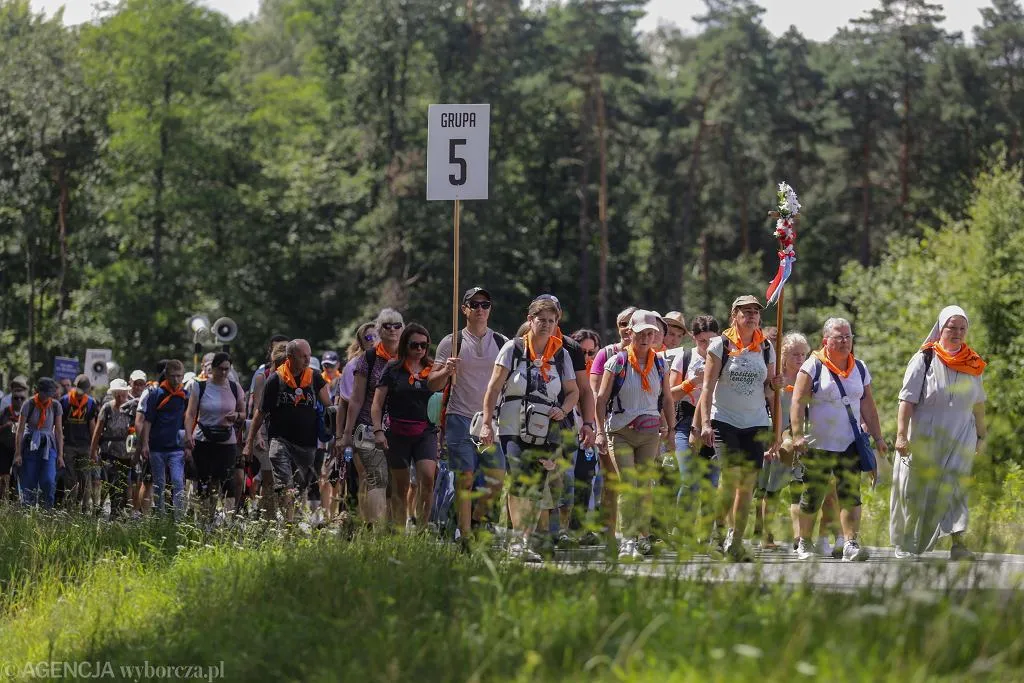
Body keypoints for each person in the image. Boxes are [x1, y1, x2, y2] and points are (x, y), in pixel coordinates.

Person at [480, 296, 580, 562]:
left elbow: (573, 391)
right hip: (513, 425)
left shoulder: (562, 354)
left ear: (557, 323)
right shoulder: (513, 349)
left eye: (551, 321)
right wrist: (487, 422)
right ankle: (517, 542)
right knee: (519, 477)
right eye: (541, 320)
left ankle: (525, 540)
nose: (546, 325)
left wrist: (565, 409)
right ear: (530, 320)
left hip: (545, 426)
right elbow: (493, 387)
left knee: (537, 484)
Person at [891, 305, 986, 561]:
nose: (956, 332)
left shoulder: (973, 362)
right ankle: (907, 541)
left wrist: (981, 435)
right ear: (940, 328)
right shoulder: (924, 358)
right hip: (925, 435)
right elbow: (906, 400)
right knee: (917, 490)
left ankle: (958, 543)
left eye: (962, 328)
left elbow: (978, 403)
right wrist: (901, 435)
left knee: (956, 488)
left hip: (960, 436)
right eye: (951, 327)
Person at [790, 318, 887, 562]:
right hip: (818, 444)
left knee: (851, 494)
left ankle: (851, 543)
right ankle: (804, 542)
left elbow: (868, 405)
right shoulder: (812, 366)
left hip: (849, 443)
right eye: (839, 337)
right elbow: (798, 402)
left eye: (848, 336)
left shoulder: (860, 368)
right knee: (813, 495)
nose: (845, 341)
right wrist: (798, 434)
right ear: (826, 341)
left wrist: (878, 437)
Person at [697, 295, 783, 561]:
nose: (752, 316)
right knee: (730, 480)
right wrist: (705, 423)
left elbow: (770, 391)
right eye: (745, 312)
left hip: (756, 422)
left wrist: (776, 386)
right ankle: (718, 536)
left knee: (747, 485)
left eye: (755, 312)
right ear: (734, 315)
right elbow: (708, 387)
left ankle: (736, 541)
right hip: (725, 420)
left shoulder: (766, 347)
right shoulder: (719, 345)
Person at [595, 310, 675, 559]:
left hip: (650, 434)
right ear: (629, 333)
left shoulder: (661, 363)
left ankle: (641, 537)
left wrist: (670, 430)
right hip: (620, 432)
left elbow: (667, 400)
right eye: (640, 333)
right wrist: (599, 430)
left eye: (650, 333)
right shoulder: (616, 362)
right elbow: (601, 399)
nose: (645, 337)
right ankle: (627, 542)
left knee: (643, 487)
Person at [245, 340, 331, 523]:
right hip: (280, 440)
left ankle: (291, 519)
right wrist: (249, 442)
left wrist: (338, 436)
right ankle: (288, 526)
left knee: (300, 486)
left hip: (307, 444)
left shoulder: (315, 377)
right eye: (303, 356)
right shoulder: (275, 379)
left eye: (309, 355)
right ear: (290, 358)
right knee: (286, 485)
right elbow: (260, 413)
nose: (308, 360)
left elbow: (330, 408)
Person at [371, 323, 438, 529]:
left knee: (427, 477)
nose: (419, 350)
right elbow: (377, 403)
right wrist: (378, 431)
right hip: (397, 433)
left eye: (423, 346)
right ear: (404, 345)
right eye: (414, 345)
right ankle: (399, 531)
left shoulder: (433, 368)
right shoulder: (392, 368)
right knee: (401, 485)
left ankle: (422, 529)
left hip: (425, 431)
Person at [340, 310, 404, 525]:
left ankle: (391, 533)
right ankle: (373, 529)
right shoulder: (365, 361)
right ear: (379, 330)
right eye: (387, 325)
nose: (393, 329)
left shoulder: (409, 357)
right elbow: (353, 400)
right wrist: (346, 433)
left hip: (399, 429)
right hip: (367, 427)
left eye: (397, 325)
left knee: (395, 484)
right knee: (375, 478)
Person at [753, 332, 810, 550]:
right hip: (775, 438)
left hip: (799, 439)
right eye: (795, 354)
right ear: (784, 355)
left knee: (798, 488)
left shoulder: (808, 378)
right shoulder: (778, 378)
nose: (799, 359)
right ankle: (766, 534)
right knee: (771, 489)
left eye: (803, 354)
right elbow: (766, 398)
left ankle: (799, 538)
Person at [589, 306, 637, 540]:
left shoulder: (651, 354)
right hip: (611, 425)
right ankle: (609, 530)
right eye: (622, 324)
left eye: (632, 323)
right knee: (614, 478)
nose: (627, 328)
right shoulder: (606, 354)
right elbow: (595, 392)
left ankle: (636, 531)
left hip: (643, 427)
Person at [185, 352, 245, 525]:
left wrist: (237, 416)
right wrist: (188, 435)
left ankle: (229, 520)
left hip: (227, 440)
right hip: (204, 439)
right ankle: (205, 520)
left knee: (228, 480)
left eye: (227, 369)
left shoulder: (235, 387)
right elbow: (190, 413)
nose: (224, 373)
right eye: (221, 369)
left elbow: (243, 413)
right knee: (205, 481)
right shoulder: (200, 386)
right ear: (213, 369)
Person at [329, 322, 377, 521]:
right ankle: (363, 524)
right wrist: (341, 436)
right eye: (368, 337)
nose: (374, 340)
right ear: (361, 342)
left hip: (387, 427)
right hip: (360, 428)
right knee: (363, 477)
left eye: (377, 336)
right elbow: (344, 404)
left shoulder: (393, 363)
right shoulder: (353, 366)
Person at [671, 315, 719, 505]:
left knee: (711, 483)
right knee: (689, 480)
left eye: (711, 341)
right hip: (685, 421)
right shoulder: (685, 357)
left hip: (714, 421)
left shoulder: (724, 359)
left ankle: (706, 532)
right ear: (693, 338)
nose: (707, 346)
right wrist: (691, 383)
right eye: (702, 341)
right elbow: (670, 395)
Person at [140, 359, 189, 519]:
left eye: (179, 376)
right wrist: (145, 443)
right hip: (157, 447)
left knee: (178, 482)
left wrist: (188, 439)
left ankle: (179, 518)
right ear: (166, 375)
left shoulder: (184, 395)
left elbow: (188, 418)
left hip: (176, 448)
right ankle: (160, 516)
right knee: (159, 484)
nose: (176, 380)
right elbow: (148, 420)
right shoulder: (156, 394)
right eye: (173, 376)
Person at [13, 377, 65, 508]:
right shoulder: (28, 404)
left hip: (48, 447)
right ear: (37, 391)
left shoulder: (55, 405)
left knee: (48, 480)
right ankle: (26, 513)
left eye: (50, 394)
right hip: (30, 446)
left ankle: (46, 511)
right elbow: (19, 431)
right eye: (45, 393)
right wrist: (18, 454)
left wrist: (60, 455)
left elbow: (58, 431)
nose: (47, 396)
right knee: (28, 483)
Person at [90, 379, 134, 517]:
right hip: (109, 451)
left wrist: (135, 451)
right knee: (111, 480)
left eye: (124, 394)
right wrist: (93, 451)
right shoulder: (107, 408)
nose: (121, 398)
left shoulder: (131, 408)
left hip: (126, 452)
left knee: (123, 483)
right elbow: (97, 431)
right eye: (118, 395)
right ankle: (110, 510)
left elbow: (135, 431)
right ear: (114, 395)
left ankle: (117, 511)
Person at [60, 374, 99, 513]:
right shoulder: (64, 401)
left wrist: (94, 448)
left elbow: (92, 426)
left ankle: (84, 508)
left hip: (85, 445)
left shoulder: (90, 403)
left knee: (85, 478)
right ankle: (70, 507)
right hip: (69, 444)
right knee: (70, 478)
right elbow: (59, 424)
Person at [0, 378, 29, 503]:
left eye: (22, 398)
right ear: (12, 398)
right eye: (16, 398)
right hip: (4, 447)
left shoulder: (28, 413)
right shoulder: (5, 412)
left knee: (17, 477)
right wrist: (5, 426)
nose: (19, 401)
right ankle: (3, 499)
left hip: (21, 449)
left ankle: (14, 501)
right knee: (4, 475)